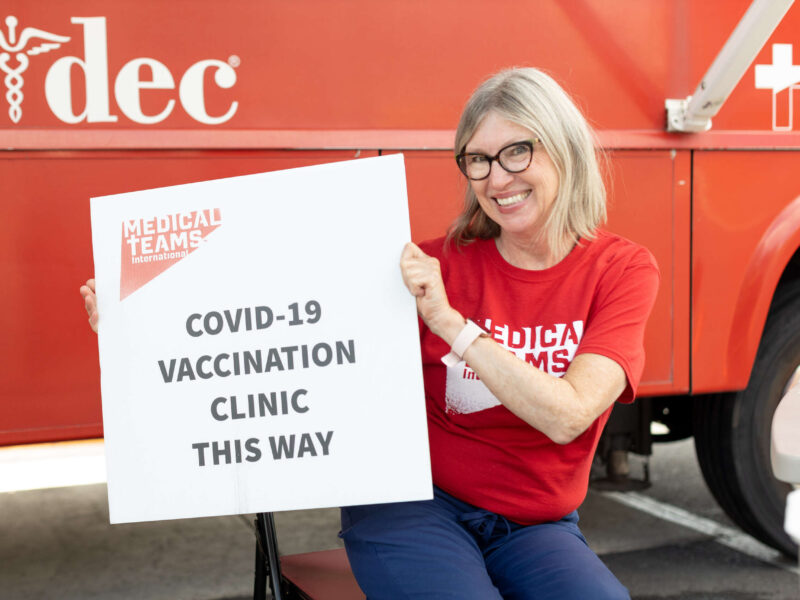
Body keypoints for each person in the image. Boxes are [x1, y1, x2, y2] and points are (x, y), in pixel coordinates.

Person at [81, 67, 658, 599]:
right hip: (413, 504)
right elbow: (266, 321)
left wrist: (452, 327)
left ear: (562, 149)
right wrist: (142, 320)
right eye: (476, 159)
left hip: (537, 521)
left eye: (515, 152)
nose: (495, 177)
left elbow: (569, 414)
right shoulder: (428, 268)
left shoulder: (622, 270)